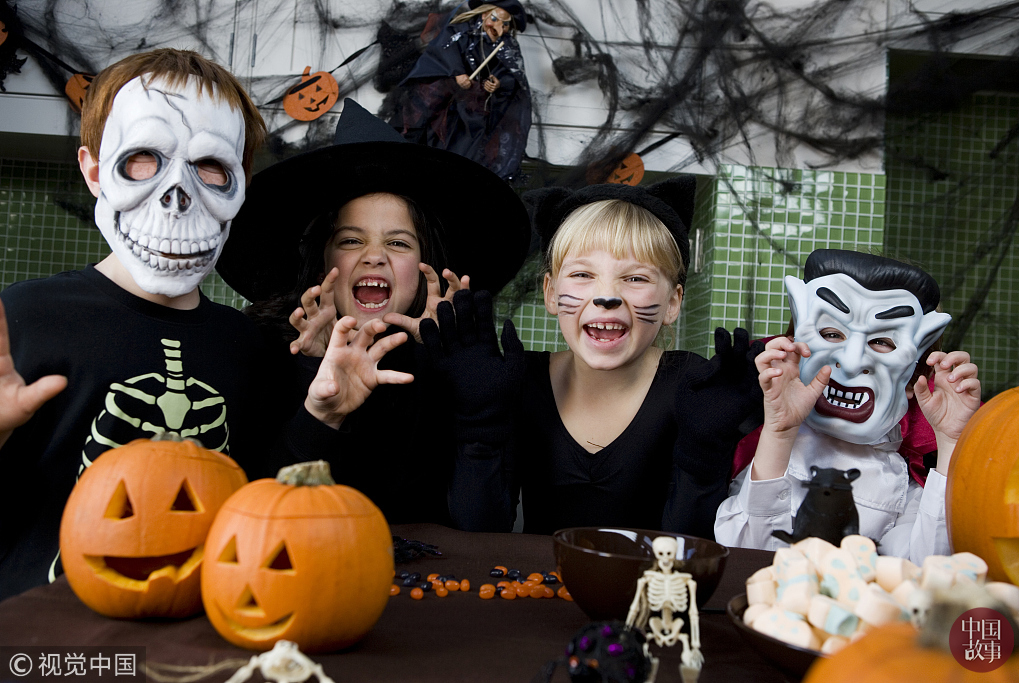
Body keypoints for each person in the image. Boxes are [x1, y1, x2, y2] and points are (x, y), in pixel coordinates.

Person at [0, 49, 377, 602]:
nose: (176, 199)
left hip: (201, 634)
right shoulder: (19, 322)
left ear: (241, 186)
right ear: (95, 171)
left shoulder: (248, 346)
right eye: (143, 159)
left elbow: (265, 516)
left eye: (209, 167)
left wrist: (322, 414)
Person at [216, 98, 531, 526]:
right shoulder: (260, 354)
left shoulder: (461, 366)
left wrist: (478, 419)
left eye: (398, 243)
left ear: (425, 269)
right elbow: (258, 525)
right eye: (351, 241)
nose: (374, 257)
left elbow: (483, 531)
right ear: (324, 262)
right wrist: (315, 392)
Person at [420, 176, 765, 537]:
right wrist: (479, 431)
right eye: (583, 274)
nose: (607, 297)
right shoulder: (515, 380)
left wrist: (704, 459)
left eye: (635, 279)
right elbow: (480, 534)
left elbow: (688, 552)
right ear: (551, 293)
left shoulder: (694, 388)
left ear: (672, 303)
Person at [715, 249, 981, 563]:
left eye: (883, 342)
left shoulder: (905, 486)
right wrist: (779, 432)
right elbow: (744, 555)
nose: (852, 362)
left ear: (914, 378)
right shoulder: (764, 455)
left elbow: (930, 572)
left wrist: (950, 442)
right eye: (831, 333)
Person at [389, 0, 531, 181]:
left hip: (472, 113)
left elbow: (510, 77)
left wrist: (497, 83)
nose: (499, 28)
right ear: (484, 14)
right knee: (421, 129)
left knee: (465, 151)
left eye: (505, 24)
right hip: (442, 103)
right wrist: (456, 73)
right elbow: (443, 51)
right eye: (495, 19)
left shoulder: (506, 47)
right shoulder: (460, 31)